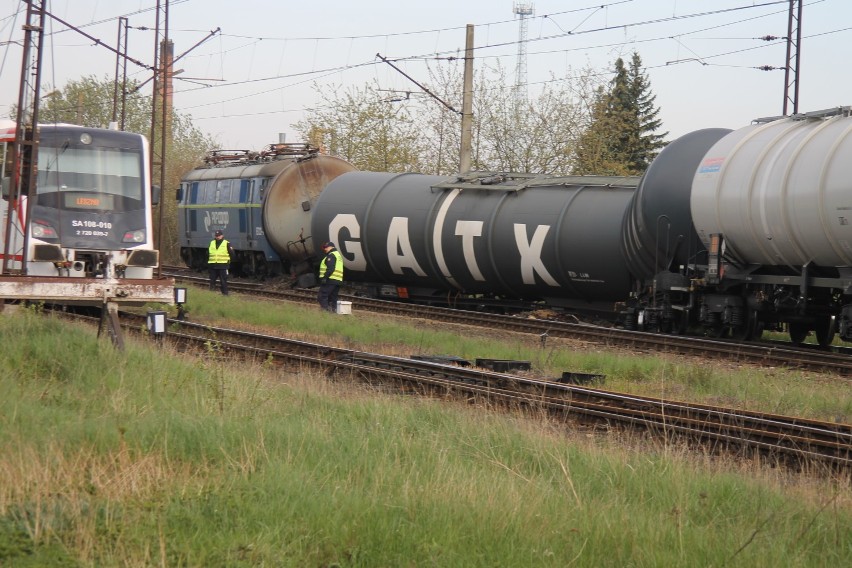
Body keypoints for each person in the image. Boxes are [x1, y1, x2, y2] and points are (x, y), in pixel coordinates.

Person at [317, 241, 343, 312]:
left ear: (331, 247)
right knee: (333, 297)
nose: (325, 249)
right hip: (338, 280)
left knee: (322, 296)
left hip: (330, 280)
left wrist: (325, 277)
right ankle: (333, 312)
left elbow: (331, 268)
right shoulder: (338, 255)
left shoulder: (331, 255)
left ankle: (325, 311)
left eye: (326, 247)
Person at [208, 230, 234, 295]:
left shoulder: (227, 243)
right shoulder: (211, 243)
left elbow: (232, 254)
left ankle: (225, 294)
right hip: (213, 266)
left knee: (223, 281)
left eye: (219, 235)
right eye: (216, 236)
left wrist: (228, 262)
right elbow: (208, 254)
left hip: (223, 266)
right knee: (212, 281)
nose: (218, 237)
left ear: (222, 236)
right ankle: (211, 294)